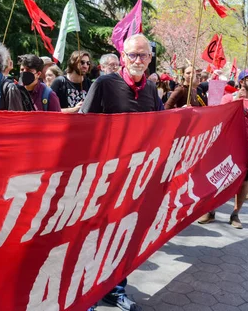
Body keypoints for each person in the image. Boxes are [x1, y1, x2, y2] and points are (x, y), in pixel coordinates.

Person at [81, 34, 163, 311]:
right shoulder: (104, 83)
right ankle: (87, 296)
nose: (137, 60)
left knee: (123, 236)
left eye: (143, 55)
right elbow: (84, 126)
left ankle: (115, 290)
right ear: (123, 57)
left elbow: (163, 126)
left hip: (136, 179)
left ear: (150, 59)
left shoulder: (152, 91)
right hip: (104, 177)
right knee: (95, 237)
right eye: (132, 55)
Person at [199, 69, 248, 229]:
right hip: (227, 148)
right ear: (242, 81)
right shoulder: (228, 98)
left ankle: (235, 214)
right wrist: (236, 101)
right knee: (218, 179)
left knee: (244, 183)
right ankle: (210, 210)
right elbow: (220, 119)